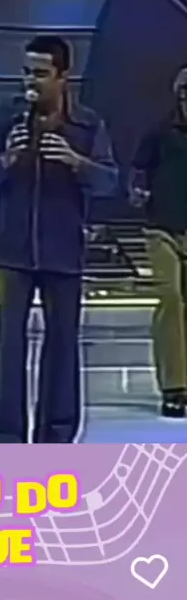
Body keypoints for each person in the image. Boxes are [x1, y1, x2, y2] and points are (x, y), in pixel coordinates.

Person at [0, 35, 118, 443]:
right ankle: (7, 438)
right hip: (12, 249)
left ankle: (57, 435)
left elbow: (110, 181)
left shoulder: (87, 124)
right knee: (9, 345)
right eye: (26, 72)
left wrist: (76, 162)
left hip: (63, 248)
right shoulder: (5, 118)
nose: (30, 82)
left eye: (40, 73)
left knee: (63, 343)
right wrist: (6, 159)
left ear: (63, 76)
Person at [129, 66, 187, 419]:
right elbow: (138, 169)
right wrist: (138, 191)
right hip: (161, 228)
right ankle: (174, 387)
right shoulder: (160, 132)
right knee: (170, 298)